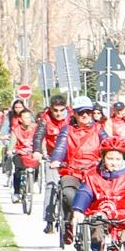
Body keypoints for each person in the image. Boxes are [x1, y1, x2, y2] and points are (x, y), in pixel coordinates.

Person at [51, 95, 108, 244]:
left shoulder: (99, 129)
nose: (85, 115)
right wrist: (57, 160)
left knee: (99, 201)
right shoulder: (67, 130)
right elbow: (61, 147)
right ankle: (69, 221)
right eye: (81, 112)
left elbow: (108, 145)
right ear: (74, 114)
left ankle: (97, 242)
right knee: (69, 194)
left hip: (94, 172)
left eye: (88, 112)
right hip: (72, 171)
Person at [34, 94, 70, 233]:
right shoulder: (45, 119)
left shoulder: (72, 118)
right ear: (50, 109)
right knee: (51, 185)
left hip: (70, 158)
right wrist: (37, 150)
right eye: (55, 110)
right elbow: (38, 136)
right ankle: (49, 220)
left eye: (62, 110)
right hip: (52, 157)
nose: (59, 114)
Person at [7, 109, 39, 203]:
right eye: (25, 117)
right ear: (20, 119)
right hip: (20, 153)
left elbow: (41, 140)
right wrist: (10, 150)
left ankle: (34, 182)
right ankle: (16, 193)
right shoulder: (16, 130)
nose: (28, 119)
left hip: (32, 153)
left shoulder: (36, 128)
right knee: (18, 170)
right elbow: (13, 141)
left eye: (29, 117)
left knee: (37, 165)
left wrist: (43, 151)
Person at [0, 99, 27, 185]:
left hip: (25, 138)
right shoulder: (10, 115)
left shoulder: (28, 114)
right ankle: (8, 173)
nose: (18, 109)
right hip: (12, 137)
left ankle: (31, 175)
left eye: (20, 107)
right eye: (16, 107)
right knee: (9, 154)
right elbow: (5, 126)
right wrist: (3, 135)